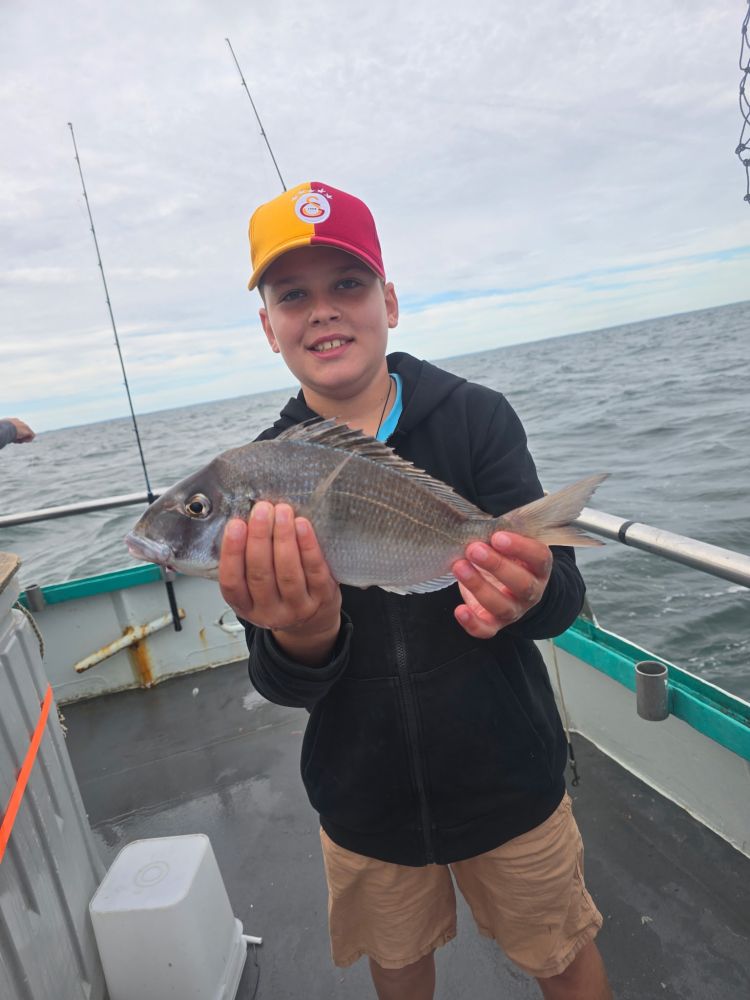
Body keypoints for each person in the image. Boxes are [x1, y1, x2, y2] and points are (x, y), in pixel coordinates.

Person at [219, 181, 611, 1000]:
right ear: (269, 328)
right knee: (397, 967)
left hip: (511, 777)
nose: (323, 311)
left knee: (564, 953)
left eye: (347, 285)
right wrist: (303, 632)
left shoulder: (475, 418)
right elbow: (278, 677)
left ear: (389, 301)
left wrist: (531, 589)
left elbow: (561, 604)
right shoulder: (259, 472)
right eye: (293, 295)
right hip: (364, 798)